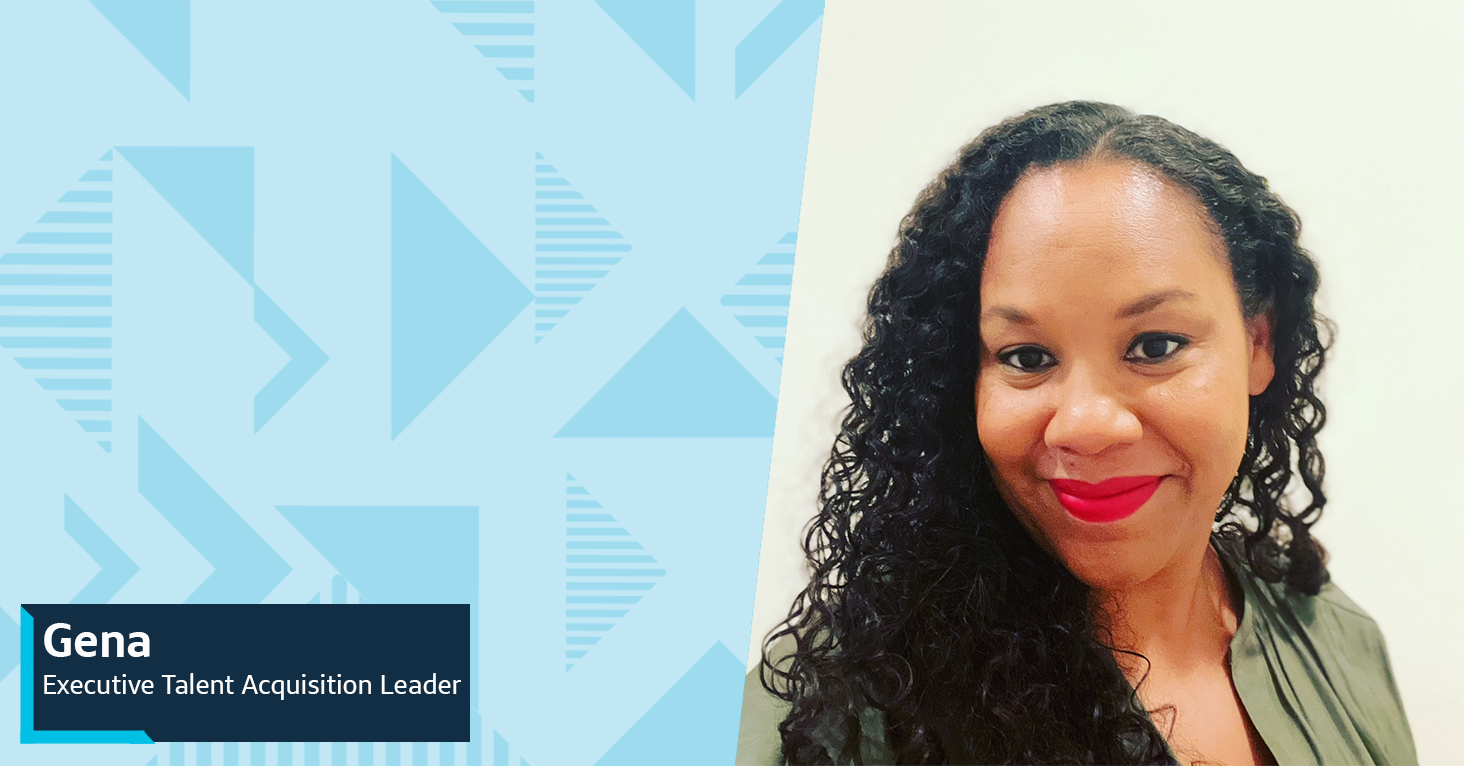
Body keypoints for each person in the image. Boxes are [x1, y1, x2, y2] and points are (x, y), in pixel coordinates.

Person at [737, 101, 1417, 766]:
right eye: (1026, 358)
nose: (1087, 425)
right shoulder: (843, 700)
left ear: (1257, 344)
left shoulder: (1331, 639)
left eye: (1155, 344)